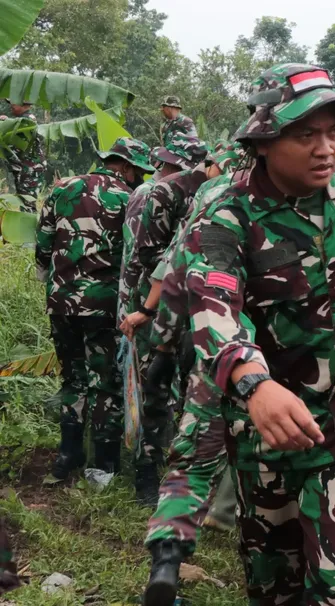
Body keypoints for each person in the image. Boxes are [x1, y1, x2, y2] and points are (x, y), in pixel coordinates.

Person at [174, 63, 335, 604]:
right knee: (273, 583)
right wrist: (254, 384)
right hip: (271, 430)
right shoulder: (225, 212)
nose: (325, 149)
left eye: (332, 133)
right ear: (263, 142)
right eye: (305, 135)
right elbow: (214, 307)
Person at [142, 144, 247, 606]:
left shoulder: (213, 196)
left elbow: (176, 271)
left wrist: (164, 343)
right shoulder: (324, 197)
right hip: (281, 360)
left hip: (213, 345)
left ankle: (167, 558)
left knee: (192, 461)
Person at [36, 138, 155, 483]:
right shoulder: (129, 198)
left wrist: (56, 282)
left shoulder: (63, 188)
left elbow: (43, 244)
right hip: (103, 305)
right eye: (139, 171)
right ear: (128, 167)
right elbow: (137, 255)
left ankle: (67, 456)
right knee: (105, 383)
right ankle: (103, 466)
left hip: (61, 301)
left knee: (72, 378)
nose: (140, 177)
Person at [118, 133, 209, 505]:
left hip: (197, 305)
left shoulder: (214, 192)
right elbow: (148, 255)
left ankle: (183, 474)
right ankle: (146, 470)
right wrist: (148, 307)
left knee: (192, 390)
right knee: (154, 384)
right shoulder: (161, 193)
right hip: (155, 301)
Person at [0, 100, 48, 211]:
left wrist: (6, 121)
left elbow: (19, 126)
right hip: (23, 168)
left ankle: (29, 221)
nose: (11, 105)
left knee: (28, 203)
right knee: (23, 200)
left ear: (24, 105)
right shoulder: (21, 119)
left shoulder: (28, 120)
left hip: (30, 168)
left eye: (14, 103)